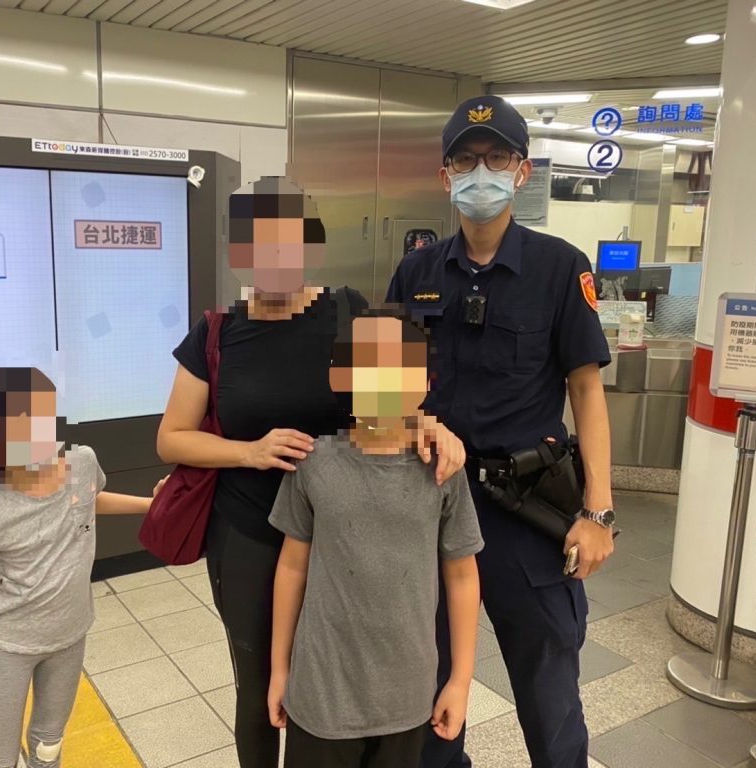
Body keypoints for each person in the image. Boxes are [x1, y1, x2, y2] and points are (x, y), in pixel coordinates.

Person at [157, 176, 466, 768]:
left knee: (344, 674)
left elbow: (392, 387)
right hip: (249, 532)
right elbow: (172, 437)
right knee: (259, 687)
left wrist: (430, 424)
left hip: (346, 530)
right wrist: (249, 452)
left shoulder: (348, 310)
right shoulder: (217, 333)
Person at [387, 95, 615, 768]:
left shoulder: (560, 267)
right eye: (464, 160)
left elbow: (586, 393)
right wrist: (416, 421)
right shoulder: (416, 271)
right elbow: (382, 390)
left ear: (522, 171)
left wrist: (598, 512)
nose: (479, 172)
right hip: (430, 503)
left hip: (526, 510)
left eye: (496, 158)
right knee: (428, 690)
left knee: (550, 697)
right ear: (445, 175)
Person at [267, 309, 484, 768]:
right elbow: (291, 566)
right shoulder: (313, 463)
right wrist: (279, 668)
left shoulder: (443, 470)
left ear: (425, 381)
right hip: (321, 694)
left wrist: (460, 681)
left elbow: (463, 576)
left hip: (407, 698)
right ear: (340, 376)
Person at [0, 366, 165, 768]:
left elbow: (89, 500)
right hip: (11, 646)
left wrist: (152, 507)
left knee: (48, 746)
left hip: (70, 636)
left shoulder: (82, 462)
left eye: (41, 415)